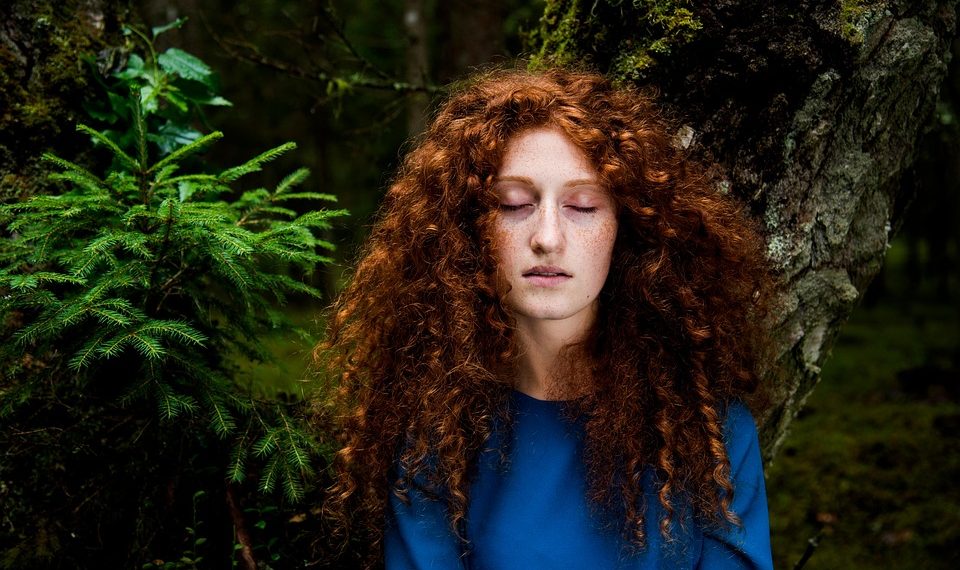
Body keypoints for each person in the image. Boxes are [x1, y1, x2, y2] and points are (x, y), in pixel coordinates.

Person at [319, 67, 774, 569]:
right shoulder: (437, 433)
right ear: (468, 230)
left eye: (583, 206)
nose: (548, 238)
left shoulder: (710, 431)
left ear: (627, 229)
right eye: (513, 204)